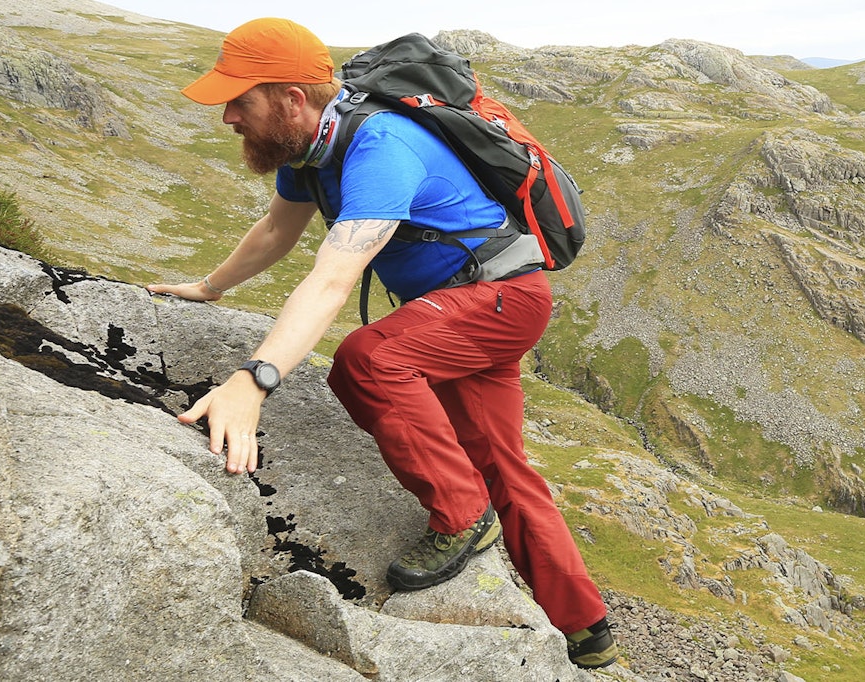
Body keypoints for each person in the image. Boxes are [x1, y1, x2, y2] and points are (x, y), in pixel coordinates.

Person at [146, 17, 618, 669]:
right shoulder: (310, 151)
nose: (228, 116)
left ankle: (460, 516)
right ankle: (587, 629)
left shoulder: (380, 144)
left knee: (369, 359)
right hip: (474, 305)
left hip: (499, 301)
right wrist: (210, 287)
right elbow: (275, 234)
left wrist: (253, 381)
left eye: (240, 99)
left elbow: (334, 276)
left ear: (289, 99)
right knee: (502, 462)